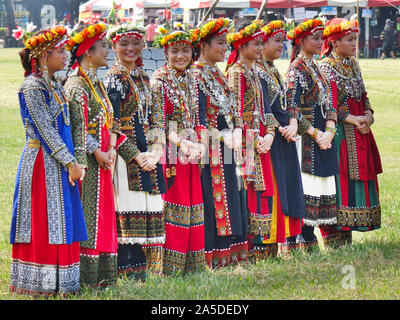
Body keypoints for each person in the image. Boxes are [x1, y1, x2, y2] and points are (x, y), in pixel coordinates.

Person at [9, 26, 87, 296]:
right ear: (43, 55)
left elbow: (69, 125)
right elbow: (44, 130)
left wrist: (80, 155)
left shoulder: (54, 85)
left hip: (60, 161)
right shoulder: (32, 87)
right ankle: (40, 280)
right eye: (61, 50)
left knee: (63, 218)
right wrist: (70, 163)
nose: (66, 55)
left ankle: (62, 281)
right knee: (44, 218)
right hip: (42, 162)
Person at [104, 23, 167, 279]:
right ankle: (125, 266)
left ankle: (142, 265)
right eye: (124, 44)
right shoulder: (113, 79)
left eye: (135, 44)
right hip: (124, 156)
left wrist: (155, 150)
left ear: (143, 45)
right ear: (114, 47)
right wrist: (136, 155)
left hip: (148, 152)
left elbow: (157, 120)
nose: (130, 49)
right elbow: (112, 127)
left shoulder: (144, 78)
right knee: (127, 203)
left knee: (148, 203)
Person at [191, 18, 249, 268]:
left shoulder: (217, 74)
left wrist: (237, 128)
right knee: (216, 198)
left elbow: (234, 107)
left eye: (226, 44)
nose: (225, 48)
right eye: (220, 44)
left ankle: (233, 252)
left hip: (229, 143)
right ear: (204, 46)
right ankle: (214, 254)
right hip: (211, 146)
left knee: (233, 193)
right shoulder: (195, 76)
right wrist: (223, 135)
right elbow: (198, 116)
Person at [64, 23, 119, 287]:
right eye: (104, 47)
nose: (108, 51)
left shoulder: (96, 82)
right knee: (89, 216)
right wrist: (96, 151)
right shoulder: (76, 85)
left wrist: (111, 148)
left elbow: (110, 120)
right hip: (88, 163)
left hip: (103, 162)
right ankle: (86, 277)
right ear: (88, 52)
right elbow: (77, 125)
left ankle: (102, 276)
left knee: (101, 217)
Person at [150, 26, 207, 275]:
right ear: (165, 51)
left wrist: (202, 143)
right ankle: (170, 268)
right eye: (175, 51)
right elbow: (159, 124)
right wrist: (182, 143)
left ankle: (192, 265)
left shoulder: (193, 79)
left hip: (192, 151)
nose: (180, 56)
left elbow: (199, 118)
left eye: (185, 50)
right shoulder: (158, 81)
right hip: (171, 153)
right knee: (175, 205)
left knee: (194, 205)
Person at [320, 18, 382, 239]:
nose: (354, 43)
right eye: (349, 39)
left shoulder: (354, 64)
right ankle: (336, 233)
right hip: (340, 135)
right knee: (342, 177)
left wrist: (368, 116)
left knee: (360, 175)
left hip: (360, 130)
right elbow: (328, 104)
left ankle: (353, 226)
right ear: (334, 43)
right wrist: (352, 119)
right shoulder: (326, 67)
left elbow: (363, 95)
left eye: (354, 39)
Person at [226, 20, 282, 260]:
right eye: (256, 44)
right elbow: (236, 114)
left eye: (262, 43)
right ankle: (251, 249)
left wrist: (270, 133)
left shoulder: (256, 72)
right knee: (250, 190)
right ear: (241, 45)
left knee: (263, 190)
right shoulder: (236, 73)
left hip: (261, 138)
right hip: (247, 140)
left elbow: (267, 109)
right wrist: (255, 138)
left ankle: (266, 248)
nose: (260, 48)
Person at [285, 18, 340, 251]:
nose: (320, 42)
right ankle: (302, 237)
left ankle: (317, 236)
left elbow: (330, 103)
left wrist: (330, 129)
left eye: (321, 38)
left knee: (321, 183)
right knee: (307, 184)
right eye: (315, 38)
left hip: (323, 134)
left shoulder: (317, 66)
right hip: (307, 136)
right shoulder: (296, 69)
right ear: (302, 40)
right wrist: (316, 133)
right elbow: (292, 108)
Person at [255, 20, 304, 254]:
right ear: (261, 44)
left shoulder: (273, 70)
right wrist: (278, 128)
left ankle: (285, 239)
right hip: (270, 138)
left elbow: (287, 103)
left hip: (284, 135)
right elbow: (264, 109)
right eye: (276, 41)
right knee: (274, 187)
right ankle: (270, 241)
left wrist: (293, 122)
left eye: (283, 41)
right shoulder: (256, 71)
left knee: (287, 185)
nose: (281, 46)